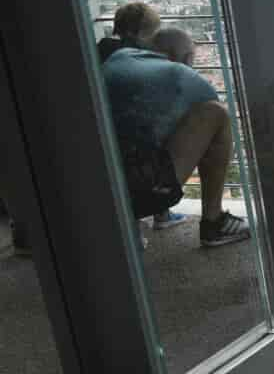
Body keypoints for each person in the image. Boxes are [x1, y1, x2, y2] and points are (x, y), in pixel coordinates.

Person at [102, 25, 249, 247]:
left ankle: (127, 227)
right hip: (134, 193)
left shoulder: (117, 57)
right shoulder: (180, 74)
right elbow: (211, 113)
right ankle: (214, 222)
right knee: (216, 114)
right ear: (187, 57)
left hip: (95, 188)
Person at [98, 5, 192, 232]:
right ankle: (162, 212)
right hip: (132, 144)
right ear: (142, 33)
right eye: (154, 30)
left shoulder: (102, 50)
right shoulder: (141, 58)